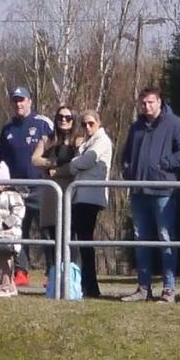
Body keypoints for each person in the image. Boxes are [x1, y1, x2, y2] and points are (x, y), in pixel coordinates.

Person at [118, 87, 180, 304]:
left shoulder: (175, 124)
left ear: (160, 102)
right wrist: (128, 170)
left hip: (163, 191)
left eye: (150, 102)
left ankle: (169, 288)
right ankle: (143, 287)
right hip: (139, 191)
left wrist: (166, 164)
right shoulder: (136, 127)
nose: (146, 106)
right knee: (141, 239)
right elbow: (126, 154)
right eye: (143, 102)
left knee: (165, 238)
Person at [0, 87, 53, 283]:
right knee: (18, 231)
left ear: (30, 101)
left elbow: (56, 150)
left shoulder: (43, 124)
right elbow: (2, 161)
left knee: (47, 231)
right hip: (16, 190)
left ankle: (51, 272)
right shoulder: (7, 130)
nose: (19, 104)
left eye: (22, 100)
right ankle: (22, 271)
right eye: (15, 101)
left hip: (41, 187)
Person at [60, 110, 113, 299]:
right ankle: (86, 284)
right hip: (80, 195)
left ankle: (90, 286)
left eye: (91, 123)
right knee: (81, 240)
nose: (88, 127)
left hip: (91, 196)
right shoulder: (87, 142)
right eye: (84, 124)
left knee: (84, 240)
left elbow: (87, 160)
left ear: (99, 123)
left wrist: (74, 163)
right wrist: (78, 161)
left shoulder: (102, 141)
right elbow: (82, 161)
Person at [32, 103, 81, 261]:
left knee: (69, 238)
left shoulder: (78, 141)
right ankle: (52, 276)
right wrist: (53, 162)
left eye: (68, 117)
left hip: (69, 195)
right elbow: (35, 160)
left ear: (73, 120)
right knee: (50, 238)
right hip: (49, 197)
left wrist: (59, 171)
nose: (64, 120)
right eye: (60, 117)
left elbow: (76, 164)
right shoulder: (47, 140)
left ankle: (72, 279)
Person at [0, 163, 26, 297]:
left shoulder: (12, 195)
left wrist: (7, 223)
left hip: (8, 236)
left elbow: (19, 211)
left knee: (5, 264)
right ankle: (5, 285)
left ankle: (6, 287)